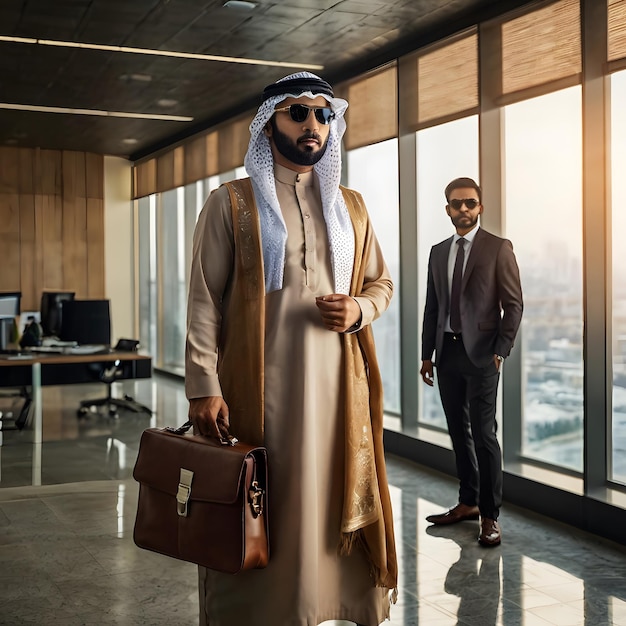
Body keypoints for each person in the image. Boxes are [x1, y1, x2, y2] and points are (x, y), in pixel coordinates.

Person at [185, 71, 397, 626]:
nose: (312, 126)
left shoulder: (350, 207)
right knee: (264, 500)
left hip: (336, 391)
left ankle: (328, 604)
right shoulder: (231, 203)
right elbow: (204, 300)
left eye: (323, 115)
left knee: (327, 500)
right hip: (259, 391)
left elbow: (381, 283)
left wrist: (359, 310)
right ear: (269, 123)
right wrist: (203, 386)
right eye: (297, 113)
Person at [420, 177, 523, 547]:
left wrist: (501, 350)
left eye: (469, 203)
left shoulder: (498, 248)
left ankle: (490, 516)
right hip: (446, 354)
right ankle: (467, 502)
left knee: (484, 435)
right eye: (455, 203)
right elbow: (433, 307)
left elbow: (514, 304)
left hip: (482, 355)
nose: (463, 209)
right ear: (447, 209)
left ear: (480, 207)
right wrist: (426, 354)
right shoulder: (437, 251)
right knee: (457, 432)